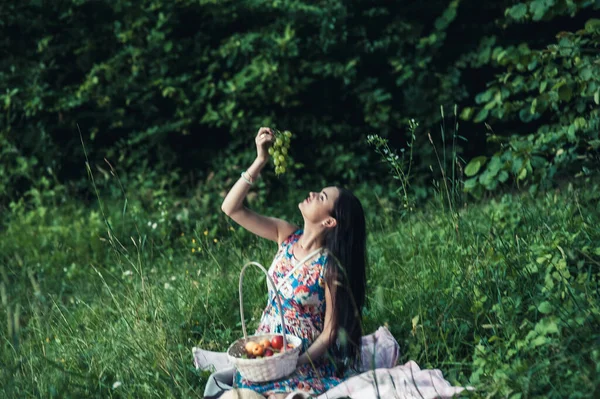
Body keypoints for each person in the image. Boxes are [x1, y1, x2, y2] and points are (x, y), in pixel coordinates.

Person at [217, 127, 368, 399]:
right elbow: (231, 208)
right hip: (264, 353)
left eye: (321, 197)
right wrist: (260, 160)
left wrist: (295, 363)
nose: (312, 193)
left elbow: (329, 333)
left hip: (300, 359)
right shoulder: (285, 235)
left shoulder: (329, 267)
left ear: (329, 222)